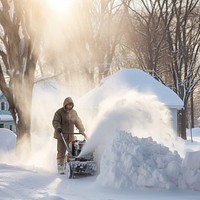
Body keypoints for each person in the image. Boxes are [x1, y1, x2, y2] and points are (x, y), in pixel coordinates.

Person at [52, 97, 86, 174]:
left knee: (73, 151)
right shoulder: (59, 112)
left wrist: (81, 129)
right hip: (61, 136)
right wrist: (58, 128)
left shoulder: (74, 112)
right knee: (61, 151)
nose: (70, 106)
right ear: (65, 104)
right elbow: (55, 121)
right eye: (68, 105)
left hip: (70, 136)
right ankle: (60, 166)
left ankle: (71, 165)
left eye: (71, 105)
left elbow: (78, 121)